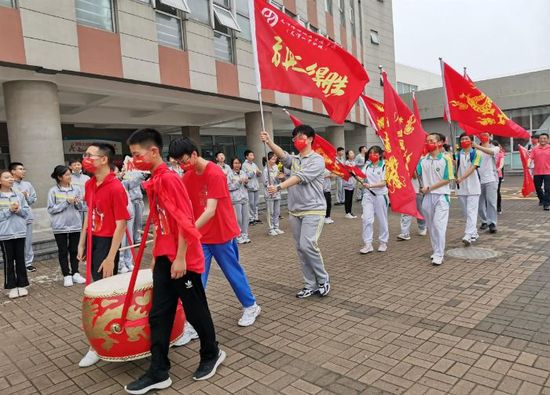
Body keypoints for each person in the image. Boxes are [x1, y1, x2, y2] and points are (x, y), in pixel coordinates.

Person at [124, 129, 224, 394]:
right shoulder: (156, 179)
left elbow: (184, 220)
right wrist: (157, 256)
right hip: (166, 257)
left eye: (136, 155)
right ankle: (159, 370)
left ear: (153, 152)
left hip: (183, 258)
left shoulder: (169, 180)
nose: (134, 160)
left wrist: (180, 257)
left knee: (195, 309)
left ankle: (211, 353)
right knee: (159, 313)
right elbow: (159, 223)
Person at [169, 137, 261, 332]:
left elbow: (210, 210)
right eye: (178, 162)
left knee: (233, 272)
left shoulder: (215, 173)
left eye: (184, 160)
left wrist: (188, 230)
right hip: (201, 237)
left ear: (194, 154)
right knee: (197, 279)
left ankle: (251, 306)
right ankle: (195, 322)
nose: (182, 165)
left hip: (221, 233)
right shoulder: (186, 177)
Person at [260, 125, 330, 299]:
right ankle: (309, 284)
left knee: (308, 245)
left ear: (311, 138)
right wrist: (269, 141)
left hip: (314, 209)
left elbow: (301, 177)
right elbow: (283, 156)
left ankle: (323, 280)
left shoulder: (317, 160)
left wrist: (278, 187)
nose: (297, 140)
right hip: (295, 211)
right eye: (295, 138)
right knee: (300, 249)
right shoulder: (295, 160)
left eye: (301, 136)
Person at [77, 142, 130, 368]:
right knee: (96, 292)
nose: (85, 158)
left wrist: (110, 257)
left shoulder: (116, 187)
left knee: (101, 295)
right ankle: (102, 339)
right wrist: (81, 243)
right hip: (93, 240)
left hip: (108, 244)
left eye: (90, 155)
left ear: (104, 160)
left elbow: (120, 225)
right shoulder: (90, 184)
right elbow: (89, 214)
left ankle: (99, 344)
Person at [417, 133, 455, 266]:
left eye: (431, 141)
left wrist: (429, 187)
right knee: (432, 226)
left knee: (439, 226)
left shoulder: (446, 159)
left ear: (439, 143)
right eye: (427, 141)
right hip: (427, 197)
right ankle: (435, 251)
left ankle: (439, 254)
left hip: (441, 196)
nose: (428, 143)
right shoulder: (423, 160)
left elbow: (448, 179)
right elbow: (416, 175)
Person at [47, 165, 86, 287]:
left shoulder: (76, 189)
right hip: (60, 226)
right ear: (59, 177)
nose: (70, 177)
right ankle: (66, 275)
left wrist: (77, 203)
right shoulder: (53, 191)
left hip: (75, 224)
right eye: (67, 175)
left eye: (70, 174)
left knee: (74, 250)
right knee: (63, 251)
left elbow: (82, 208)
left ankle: (75, 273)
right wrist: (66, 202)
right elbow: (51, 209)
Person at [0, 169, 30, 299]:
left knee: (20, 259)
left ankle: (22, 284)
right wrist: (9, 210)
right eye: (7, 177)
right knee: (8, 260)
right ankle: (11, 286)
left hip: (20, 231)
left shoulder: (19, 195)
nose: (11, 179)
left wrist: (18, 210)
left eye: (11, 177)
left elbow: (26, 212)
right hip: (5, 233)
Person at [359, 146, 389, 254]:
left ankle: (383, 242)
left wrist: (370, 185)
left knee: (382, 219)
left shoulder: (384, 166)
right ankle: (368, 244)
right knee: (366, 219)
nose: (373, 155)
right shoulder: (367, 166)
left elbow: (384, 182)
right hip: (368, 196)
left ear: (380, 155)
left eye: (375, 153)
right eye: (371, 153)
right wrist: (360, 181)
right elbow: (361, 177)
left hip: (381, 196)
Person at [455, 134, 483, 246]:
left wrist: (462, 178)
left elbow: (473, 168)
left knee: (471, 211)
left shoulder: (476, 153)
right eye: (462, 139)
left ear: (471, 141)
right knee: (466, 212)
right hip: (461, 187)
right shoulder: (457, 154)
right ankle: (474, 232)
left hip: (473, 187)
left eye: (466, 139)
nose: (464, 140)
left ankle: (468, 235)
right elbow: (455, 168)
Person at [9, 162, 37, 272]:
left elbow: (33, 199)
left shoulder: (28, 185)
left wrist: (26, 197)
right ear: (13, 171)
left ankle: (28, 263)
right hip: (13, 218)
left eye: (24, 169)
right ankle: (17, 263)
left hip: (26, 216)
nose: (23, 171)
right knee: (15, 242)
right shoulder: (9, 185)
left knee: (27, 242)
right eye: (20, 169)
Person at [472, 132, 500, 233]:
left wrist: (477, 147)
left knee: (491, 201)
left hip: (491, 179)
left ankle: (492, 223)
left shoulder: (495, 147)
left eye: (486, 135)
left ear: (490, 136)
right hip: (478, 180)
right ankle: (484, 220)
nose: (483, 136)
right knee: (479, 203)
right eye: (481, 134)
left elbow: (491, 152)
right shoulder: (474, 149)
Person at [397, 171, 426, 241]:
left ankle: (422, 227)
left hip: (417, 190)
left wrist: (409, 168)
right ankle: (405, 232)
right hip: (406, 191)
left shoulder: (417, 162)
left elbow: (415, 176)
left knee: (419, 211)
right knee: (406, 211)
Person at [227, 158, 251, 244]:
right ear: (232, 164)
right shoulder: (229, 175)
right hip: (236, 199)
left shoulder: (243, 173)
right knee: (238, 219)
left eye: (238, 163)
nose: (237, 165)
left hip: (244, 197)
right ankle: (238, 235)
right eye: (235, 163)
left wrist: (246, 183)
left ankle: (245, 234)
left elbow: (248, 186)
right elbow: (229, 187)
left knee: (245, 218)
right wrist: (239, 182)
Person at [121, 165, 146, 244]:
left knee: (139, 221)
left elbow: (143, 186)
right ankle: (130, 242)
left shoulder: (138, 172)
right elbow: (130, 184)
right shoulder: (124, 175)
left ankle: (138, 239)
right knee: (130, 223)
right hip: (130, 201)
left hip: (139, 200)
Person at [263, 152, 285, 236]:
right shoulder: (266, 170)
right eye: (272, 159)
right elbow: (266, 183)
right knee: (270, 212)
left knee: (277, 212)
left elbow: (279, 180)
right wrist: (274, 178)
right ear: (268, 160)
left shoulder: (276, 167)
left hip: (277, 192)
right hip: (269, 193)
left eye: (275, 158)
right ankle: (270, 228)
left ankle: (276, 227)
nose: (274, 160)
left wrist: (280, 178)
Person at [529, 132, 550, 211]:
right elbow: (530, 157)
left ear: (548, 140)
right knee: (537, 188)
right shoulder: (535, 149)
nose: (542, 140)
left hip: (548, 172)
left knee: (547, 188)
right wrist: (528, 163)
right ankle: (542, 199)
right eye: (541, 138)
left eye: (544, 138)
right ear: (539, 140)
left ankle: (546, 204)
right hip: (537, 172)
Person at [242, 150, 262, 225]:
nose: (252, 156)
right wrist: (254, 172)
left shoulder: (254, 164)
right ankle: (251, 219)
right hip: (250, 186)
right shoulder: (244, 165)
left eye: (252, 155)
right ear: (246, 156)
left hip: (255, 185)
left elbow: (258, 174)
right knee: (251, 203)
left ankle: (256, 218)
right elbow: (246, 176)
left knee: (256, 203)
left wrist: (259, 173)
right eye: (250, 155)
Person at [70, 159, 90, 223]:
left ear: (81, 166)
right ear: (70, 167)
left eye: (78, 164)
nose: (77, 166)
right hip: (74, 207)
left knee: (87, 226)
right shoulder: (68, 178)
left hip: (86, 206)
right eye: (74, 165)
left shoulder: (87, 178)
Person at [343, 150, 357, 219]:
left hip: (352, 182)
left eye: (353, 153)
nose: (352, 154)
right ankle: (347, 212)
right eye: (351, 153)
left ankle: (350, 211)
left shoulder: (353, 162)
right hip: (347, 182)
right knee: (347, 198)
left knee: (351, 198)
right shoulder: (347, 163)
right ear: (347, 155)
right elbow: (348, 172)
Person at [493, 141, 505, 214]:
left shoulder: (500, 154)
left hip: (497, 175)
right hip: (487, 175)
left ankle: (498, 207)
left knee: (497, 191)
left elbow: (501, 163)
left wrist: (499, 168)